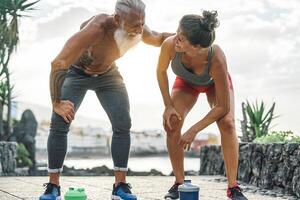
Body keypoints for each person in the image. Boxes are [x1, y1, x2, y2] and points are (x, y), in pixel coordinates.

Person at [39, 0, 172, 200]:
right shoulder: (96, 29)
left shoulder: (139, 28)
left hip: (108, 75)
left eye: (142, 23)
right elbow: (58, 62)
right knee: (59, 123)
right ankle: (53, 186)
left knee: (123, 123)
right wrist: (56, 103)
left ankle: (120, 186)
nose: (139, 29)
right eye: (135, 24)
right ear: (117, 19)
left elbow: (159, 37)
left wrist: (183, 37)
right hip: (77, 74)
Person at [156, 10, 248, 200]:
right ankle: (179, 183)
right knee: (172, 123)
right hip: (186, 83)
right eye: (177, 33)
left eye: (181, 38)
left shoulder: (216, 58)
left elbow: (223, 106)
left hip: (214, 84)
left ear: (198, 47)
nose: (176, 39)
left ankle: (233, 187)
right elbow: (161, 72)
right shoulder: (170, 45)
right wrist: (168, 106)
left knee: (227, 123)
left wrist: (193, 130)